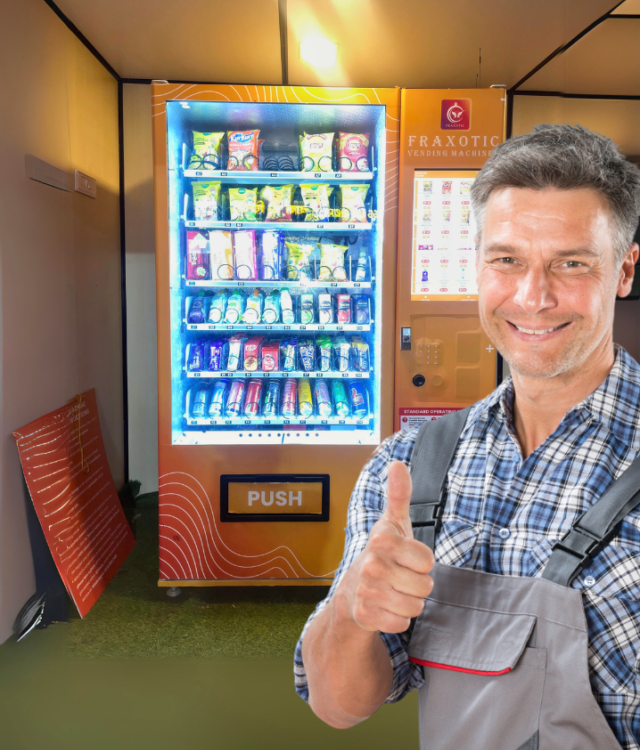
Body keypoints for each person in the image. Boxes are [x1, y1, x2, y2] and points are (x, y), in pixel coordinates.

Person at [294, 124, 640, 749]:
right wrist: (353, 608)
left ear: (624, 270)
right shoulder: (409, 467)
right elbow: (338, 706)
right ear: (476, 265)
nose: (534, 297)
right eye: (507, 260)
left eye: (572, 263)